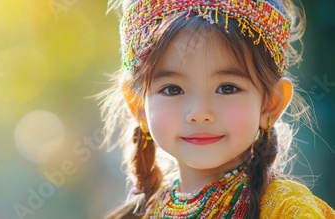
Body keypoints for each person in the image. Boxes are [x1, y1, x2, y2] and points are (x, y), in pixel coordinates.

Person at [99, 0, 335, 218]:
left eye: (227, 88)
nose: (200, 113)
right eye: (172, 89)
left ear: (270, 104)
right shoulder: (143, 213)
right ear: (138, 104)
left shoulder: (288, 209)